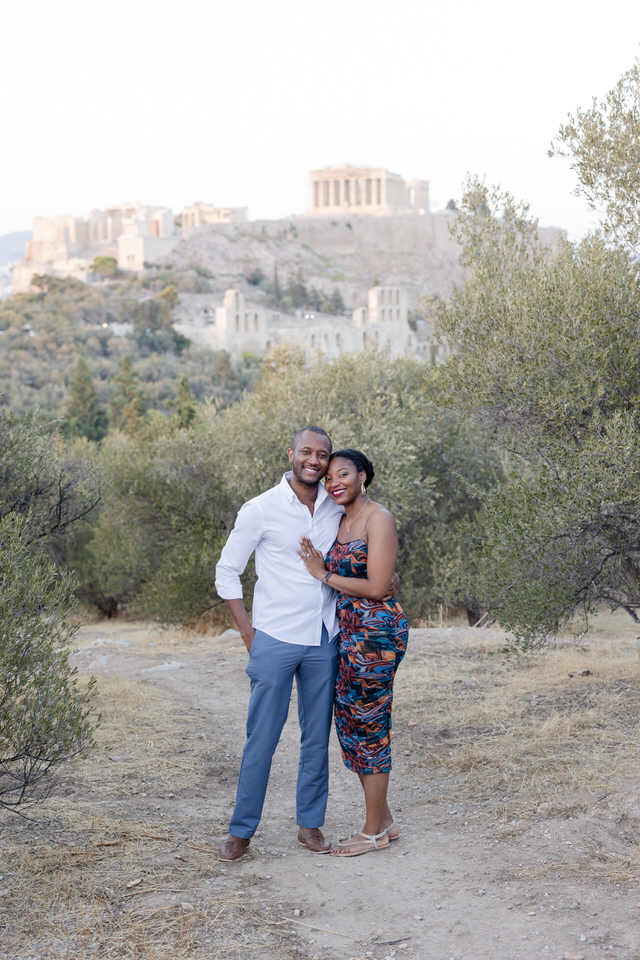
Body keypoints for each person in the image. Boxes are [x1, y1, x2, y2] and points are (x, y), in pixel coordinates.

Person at [213, 426, 344, 862]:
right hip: (273, 638)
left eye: (322, 454)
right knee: (262, 739)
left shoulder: (336, 506)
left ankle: (310, 824)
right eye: (306, 452)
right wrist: (248, 633)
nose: (313, 460)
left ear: (328, 461)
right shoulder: (261, 508)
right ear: (291, 454)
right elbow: (226, 571)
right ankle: (241, 831)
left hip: (323, 638)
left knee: (316, 738)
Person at [298, 448, 408, 857]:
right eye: (329, 478)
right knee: (352, 725)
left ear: (362, 476)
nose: (334, 483)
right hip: (348, 635)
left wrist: (323, 573)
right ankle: (386, 821)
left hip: (375, 636)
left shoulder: (379, 518)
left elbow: (378, 587)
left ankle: (372, 832)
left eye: (342, 474)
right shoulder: (341, 519)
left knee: (370, 727)